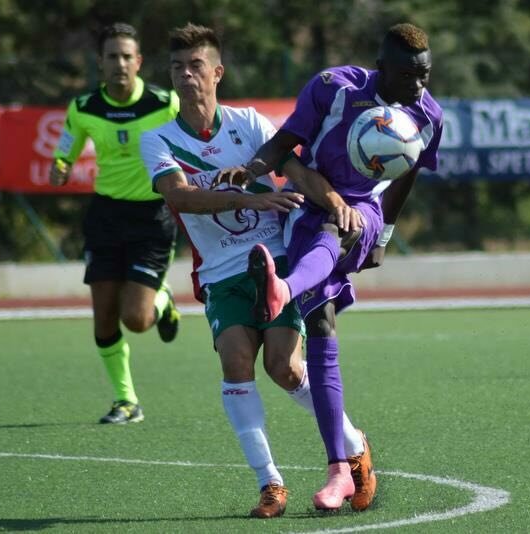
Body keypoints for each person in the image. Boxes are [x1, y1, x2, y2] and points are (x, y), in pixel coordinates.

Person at [139, 23, 374, 518]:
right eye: (177, 68)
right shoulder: (156, 138)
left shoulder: (248, 124)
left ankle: (353, 446)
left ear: (217, 72)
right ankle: (271, 484)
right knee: (236, 363)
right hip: (222, 271)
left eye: (196, 65)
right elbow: (180, 197)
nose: (186, 75)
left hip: (276, 259)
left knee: (283, 368)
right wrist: (252, 196)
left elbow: (295, 171)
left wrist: (334, 203)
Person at [217, 22, 443, 510]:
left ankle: (283, 287)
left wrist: (383, 234)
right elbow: (287, 142)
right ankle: (342, 469)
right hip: (306, 209)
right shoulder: (332, 87)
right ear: (381, 67)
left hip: (363, 214)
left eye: (425, 75)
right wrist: (254, 169)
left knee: (339, 227)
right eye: (408, 76)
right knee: (321, 328)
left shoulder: (427, 116)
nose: (418, 86)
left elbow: (404, 179)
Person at [49, 22, 181, 425]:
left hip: (151, 218)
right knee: (104, 314)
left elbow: (193, 138)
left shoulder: (165, 103)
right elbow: (65, 153)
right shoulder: (84, 107)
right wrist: (59, 167)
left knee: (136, 319)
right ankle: (126, 400)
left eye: (127, 56)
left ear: (138, 62)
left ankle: (162, 301)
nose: (120, 63)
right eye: (112, 56)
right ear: (100, 63)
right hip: (105, 216)